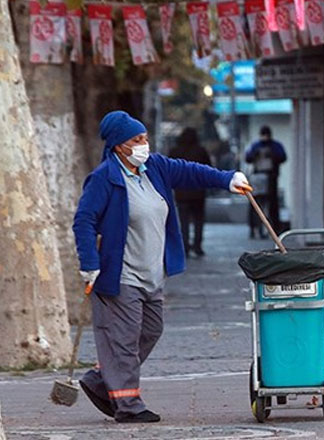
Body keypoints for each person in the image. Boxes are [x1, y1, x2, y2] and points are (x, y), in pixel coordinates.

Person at [72, 111, 252, 423]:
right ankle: (128, 406)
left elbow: (192, 172)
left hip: (152, 273)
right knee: (125, 338)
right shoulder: (104, 178)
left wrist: (227, 179)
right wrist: (89, 262)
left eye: (144, 138)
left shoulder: (154, 167)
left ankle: (102, 378)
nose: (144, 144)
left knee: (152, 329)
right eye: (136, 140)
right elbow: (84, 221)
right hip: (120, 274)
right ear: (118, 146)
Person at [168, 128, 212, 257]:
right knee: (199, 220)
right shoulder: (200, 151)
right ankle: (198, 246)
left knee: (184, 221)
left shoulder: (175, 151)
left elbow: (170, 170)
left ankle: (185, 246)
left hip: (182, 192)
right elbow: (208, 168)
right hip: (198, 192)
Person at [245, 126, 286, 236]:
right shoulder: (257, 146)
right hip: (261, 176)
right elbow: (248, 158)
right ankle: (256, 228)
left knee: (270, 205)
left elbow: (282, 157)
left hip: (269, 177)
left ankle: (271, 228)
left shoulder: (273, 146)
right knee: (259, 204)